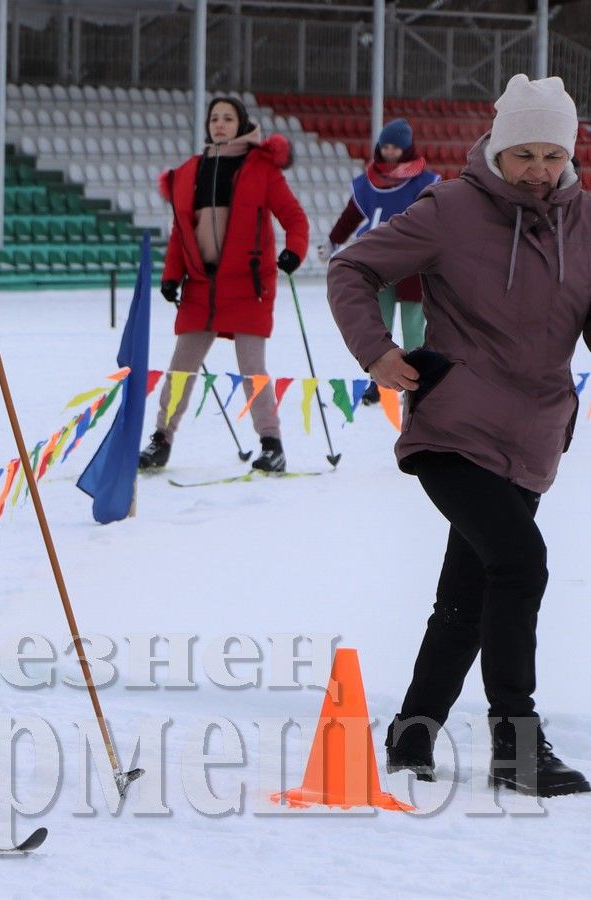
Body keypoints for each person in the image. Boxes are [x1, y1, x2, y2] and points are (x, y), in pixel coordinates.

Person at [327, 75, 591, 798]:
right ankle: (516, 741)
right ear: (497, 148)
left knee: (467, 596)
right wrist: (377, 352)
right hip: (452, 427)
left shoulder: (583, 221)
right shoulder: (447, 210)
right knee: (519, 563)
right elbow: (351, 267)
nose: (538, 170)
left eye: (551, 155)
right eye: (523, 154)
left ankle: (413, 729)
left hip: (533, 434)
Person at [142, 95, 309, 473]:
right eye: (214, 118)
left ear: (241, 124)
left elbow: (295, 218)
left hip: (248, 286)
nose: (219, 123)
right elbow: (179, 233)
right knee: (179, 369)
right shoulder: (189, 172)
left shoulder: (261, 168)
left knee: (253, 370)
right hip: (201, 288)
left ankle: (272, 443)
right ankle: (161, 439)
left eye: (228, 118)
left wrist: (294, 252)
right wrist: (171, 276)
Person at [319, 119, 439, 405]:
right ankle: (378, 380)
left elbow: (440, 219)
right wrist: (334, 240)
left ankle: (416, 380)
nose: (390, 152)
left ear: (407, 148)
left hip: (413, 266)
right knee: (378, 325)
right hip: (375, 264)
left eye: (396, 147)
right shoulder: (369, 182)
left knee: (413, 326)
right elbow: (351, 215)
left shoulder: (426, 182)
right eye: (385, 146)